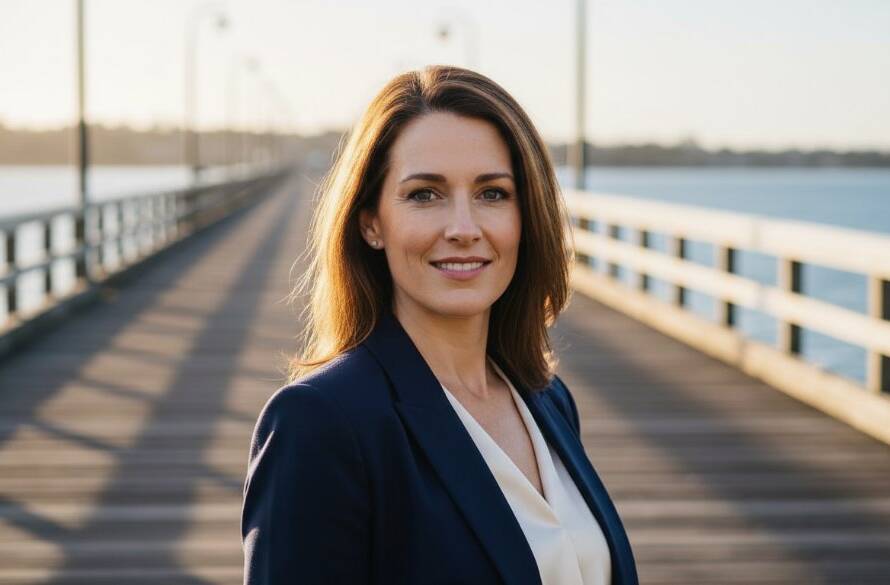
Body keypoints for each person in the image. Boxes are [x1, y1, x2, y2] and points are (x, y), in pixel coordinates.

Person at [241, 65, 638, 585]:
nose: (463, 229)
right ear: (371, 222)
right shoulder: (319, 423)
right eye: (425, 195)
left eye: (492, 193)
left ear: (527, 214)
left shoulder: (547, 398)